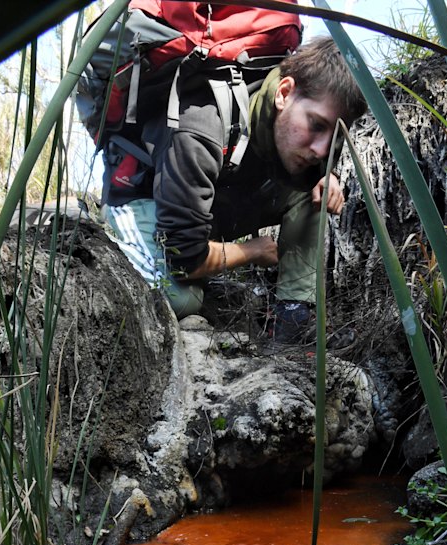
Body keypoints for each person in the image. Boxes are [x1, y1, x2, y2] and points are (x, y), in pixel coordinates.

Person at [101, 36, 367, 342]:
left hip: (209, 202)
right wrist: (253, 251)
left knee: (312, 193)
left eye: (335, 135)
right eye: (317, 125)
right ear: (284, 93)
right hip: (141, 197)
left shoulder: (295, 129)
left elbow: (313, 164)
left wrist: (327, 176)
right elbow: (185, 259)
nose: (321, 150)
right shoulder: (200, 126)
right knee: (182, 299)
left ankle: (293, 318)